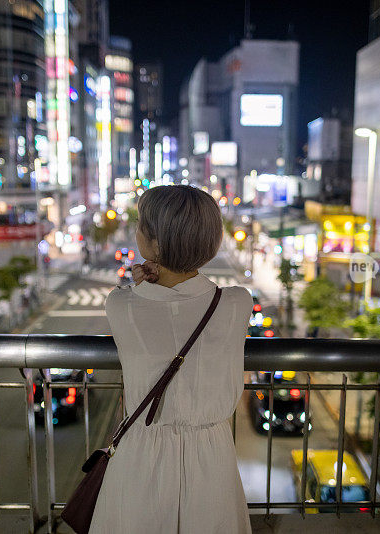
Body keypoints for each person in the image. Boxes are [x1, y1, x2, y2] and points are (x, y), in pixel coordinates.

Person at [89, 185, 253, 533]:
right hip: (211, 455)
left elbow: (151, 305)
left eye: (140, 225)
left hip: (141, 455)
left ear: (155, 243)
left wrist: (144, 279)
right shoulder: (238, 302)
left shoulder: (121, 305)